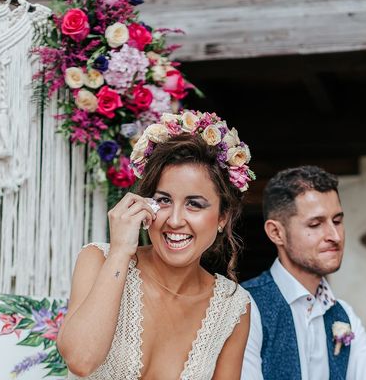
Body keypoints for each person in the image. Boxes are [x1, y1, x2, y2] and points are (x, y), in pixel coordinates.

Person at [57, 111, 255, 379]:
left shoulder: (232, 306)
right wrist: (120, 253)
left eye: (194, 204)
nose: (174, 220)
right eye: (163, 200)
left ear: (223, 217)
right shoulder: (98, 259)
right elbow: (81, 360)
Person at [241, 166, 366, 380]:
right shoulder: (246, 308)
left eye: (337, 221)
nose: (335, 236)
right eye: (316, 224)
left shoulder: (345, 315)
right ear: (276, 233)